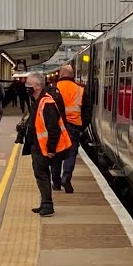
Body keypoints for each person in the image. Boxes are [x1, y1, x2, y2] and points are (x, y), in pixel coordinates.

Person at [18, 71, 72, 217]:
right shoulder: (38, 101)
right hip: (38, 146)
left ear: (37, 86)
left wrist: (51, 149)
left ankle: (47, 205)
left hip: (44, 148)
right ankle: (45, 204)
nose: (26, 85)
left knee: (41, 175)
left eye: (28, 83)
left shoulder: (47, 103)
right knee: (42, 175)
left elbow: (53, 129)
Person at [50, 64, 86, 193]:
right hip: (74, 125)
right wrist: (83, 126)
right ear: (72, 75)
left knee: (56, 153)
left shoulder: (53, 89)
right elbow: (87, 110)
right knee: (71, 153)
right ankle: (66, 177)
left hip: (56, 126)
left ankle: (56, 182)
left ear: (60, 74)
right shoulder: (80, 90)